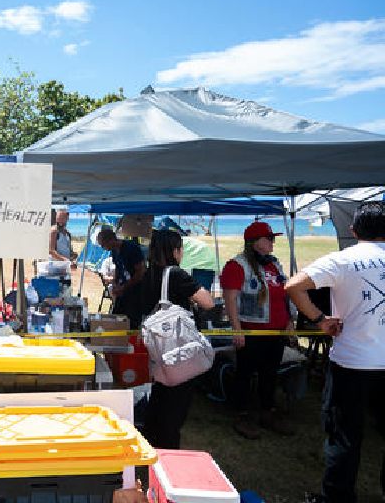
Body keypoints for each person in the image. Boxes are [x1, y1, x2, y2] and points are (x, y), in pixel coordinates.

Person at [285, 202, 385, 503]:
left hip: (351, 363)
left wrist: (319, 320)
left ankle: (337, 498)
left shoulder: (343, 260)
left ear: (353, 230)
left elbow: (293, 285)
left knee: (344, 436)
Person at [220, 221, 295, 440]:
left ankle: (267, 411)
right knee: (245, 373)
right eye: (269, 238)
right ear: (255, 242)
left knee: (269, 373)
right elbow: (230, 298)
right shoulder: (237, 265)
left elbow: (284, 294)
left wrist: (289, 321)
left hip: (276, 332)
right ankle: (242, 415)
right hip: (252, 331)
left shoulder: (274, 264)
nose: (272, 242)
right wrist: (237, 329)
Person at [140, 230, 214, 449]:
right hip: (177, 348)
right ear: (175, 250)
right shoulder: (176, 274)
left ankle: (150, 442)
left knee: (160, 394)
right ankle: (168, 452)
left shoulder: (149, 274)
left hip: (156, 346)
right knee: (175, 405)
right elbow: (207, 301)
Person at [96, 228, 146, 324]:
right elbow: (118, 269)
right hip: (124, 290)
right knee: (117, 317)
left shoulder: (131, 248)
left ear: (111, 240)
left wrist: (124, 287)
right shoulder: (114, 251)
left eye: (103, 245)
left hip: (136, 291)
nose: (103, 248)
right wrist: (115, 284)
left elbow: (140, 272)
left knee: (132, 321)